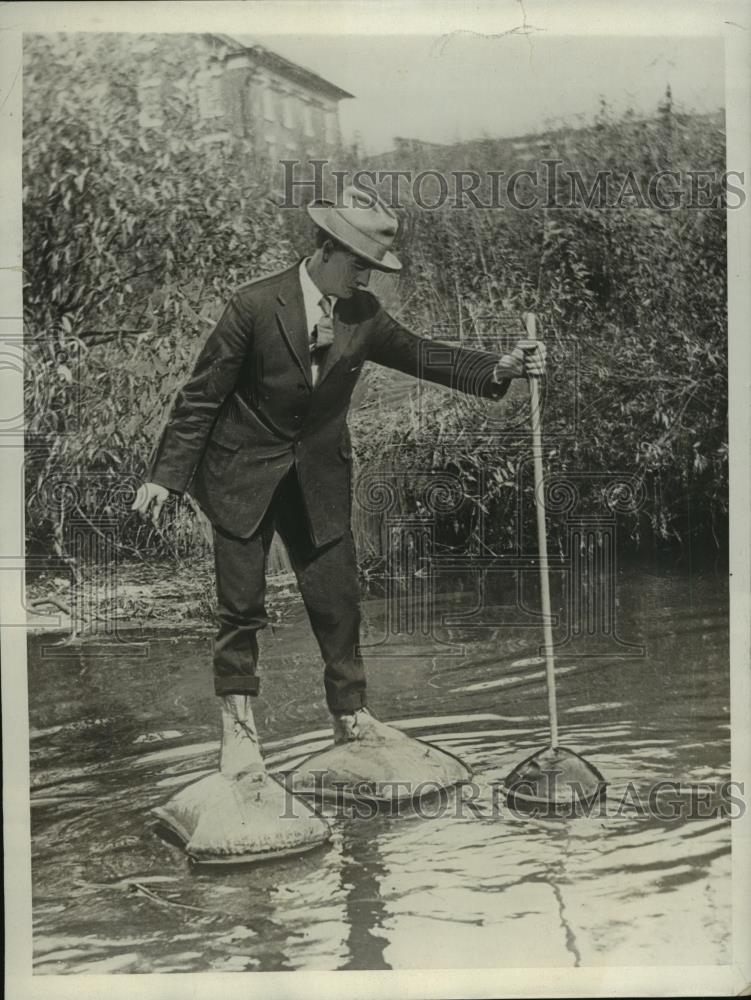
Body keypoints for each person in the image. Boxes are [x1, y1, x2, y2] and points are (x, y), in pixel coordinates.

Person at [133, 187, 546, 797]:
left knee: (337, 600)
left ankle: (352, 718)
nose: (364, 277)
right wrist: (163, 477)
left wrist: (500, 368)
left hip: (319, 475)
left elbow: (422, 355)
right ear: (327, 251)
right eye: (358, 264)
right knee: (240, 607)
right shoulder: (253, 305)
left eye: (371, 268)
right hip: (241, 473)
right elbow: (201, 396)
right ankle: (239, 732)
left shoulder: (363, 314)